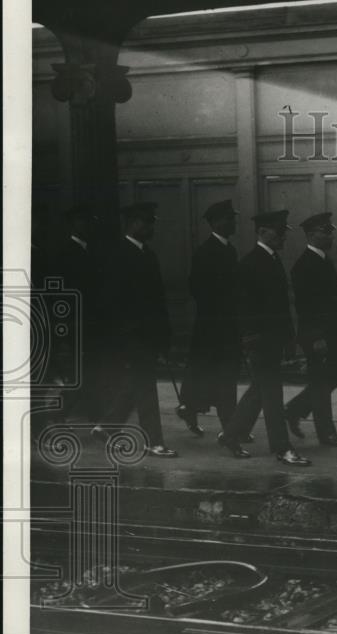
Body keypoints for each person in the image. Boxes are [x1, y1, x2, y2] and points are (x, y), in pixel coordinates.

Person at [218, 209, 311, 466]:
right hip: (260, 340)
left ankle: (230, 435)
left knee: (260, 391)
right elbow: (242, 307)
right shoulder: (250, 264)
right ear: (262, 232)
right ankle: (282, 448)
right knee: (271, 393)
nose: (283, 237)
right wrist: (250, 337)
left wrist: (289, 339)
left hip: (272, 338)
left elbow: (281, 307)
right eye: (279, 232)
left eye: (283, 232)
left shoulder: (271, 260)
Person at [93, 202, 175, 458]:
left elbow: (158, 298)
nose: (151, 226)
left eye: (151, 221)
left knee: (139, 381)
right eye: (146, 221)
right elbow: (111, 300)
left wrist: (164, 335)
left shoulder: (147, 254)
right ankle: (153, 441)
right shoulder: (118, 254)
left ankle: (107, 426)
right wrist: (126, 332)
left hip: (147, 333)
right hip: (132, 334)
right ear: (132, 223)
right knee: (146, 385)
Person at [284, 212, 337, 448]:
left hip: (331, 333)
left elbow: (334, 302)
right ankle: (327, 434)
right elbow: (306, 308)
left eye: (330, 230)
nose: (331, 234)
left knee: (331, 378)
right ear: (312, 235)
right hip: (318, 336)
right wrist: (317, 338)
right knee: (323, 382)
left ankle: (293, 410)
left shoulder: (324, 260)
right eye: (326, 231)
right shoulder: (304, 265)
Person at [176, 199, 240, 439]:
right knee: (219, 376)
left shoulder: (229, 250)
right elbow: (197, 287)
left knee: (219, 376)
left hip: (225, 325)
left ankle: (191, 409)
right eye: (229, 218)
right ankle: (230, 427)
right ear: (215, 223)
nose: (233, 222)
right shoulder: (206, 252)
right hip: (212, 327)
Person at [53, 204, 105, 423]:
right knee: (78, 370)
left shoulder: (91, 250)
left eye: (88, 221)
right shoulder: (65, 252)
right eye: (81, 221)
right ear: (72, 224)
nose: (86, 226)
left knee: (90, 367)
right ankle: (60, 413)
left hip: (92, 321)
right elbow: (61, 292)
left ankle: (90, 411)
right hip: (75, 320)